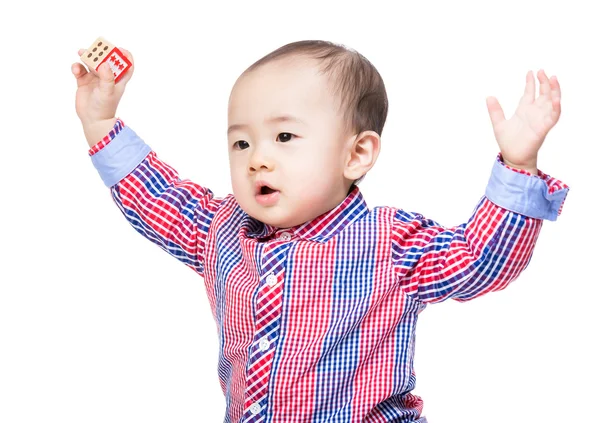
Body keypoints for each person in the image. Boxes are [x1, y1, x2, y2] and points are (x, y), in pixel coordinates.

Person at [71, 40, 569, 422]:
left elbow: (479, 260)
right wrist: (100, 121)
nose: (257, 157)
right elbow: (158, 196)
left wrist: (518, 165)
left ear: (356, 154)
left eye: (284, 136)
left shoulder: (389, 242)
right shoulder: (219, 230)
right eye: (240, 143)